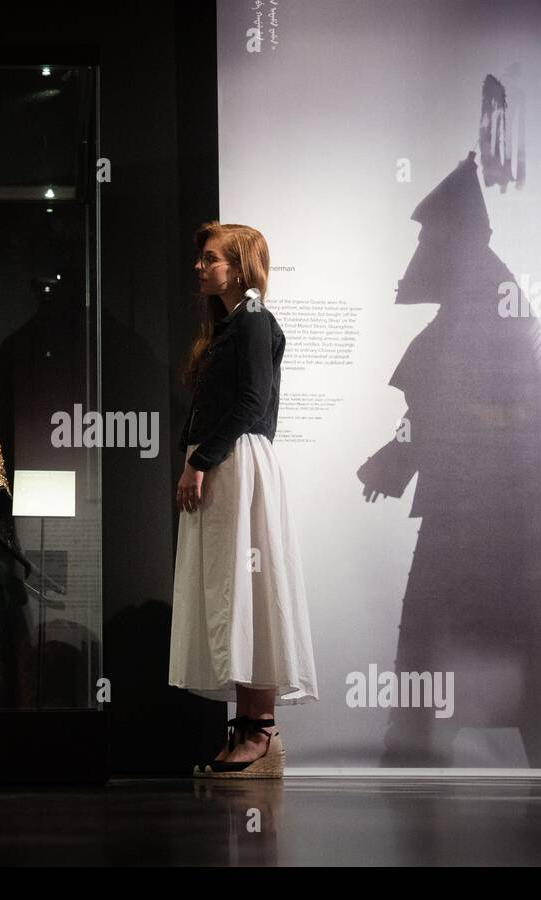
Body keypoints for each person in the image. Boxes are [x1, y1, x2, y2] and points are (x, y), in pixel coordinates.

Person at [170, 221, 319, 778]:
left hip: (237, 463)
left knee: (251, 589)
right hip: (227, 462)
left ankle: (261, 731)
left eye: (210, 258)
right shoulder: (233, 325)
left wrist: (199, 459)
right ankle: (254, 727)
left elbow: (252, 402)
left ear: (239, 266)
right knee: (235, 590)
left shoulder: (253, 323)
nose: (200, 267)